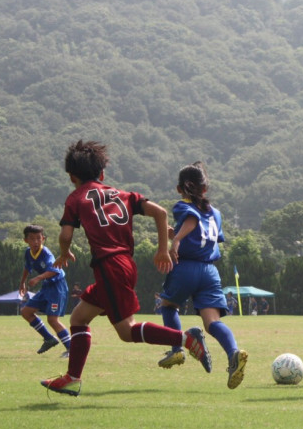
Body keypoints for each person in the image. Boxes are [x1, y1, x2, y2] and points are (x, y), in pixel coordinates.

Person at [40, 140, 212, 396]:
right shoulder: (124, 195)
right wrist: (162, 249)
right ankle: (72, 378)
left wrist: (64, 252)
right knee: (78, 318)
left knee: (127, 331)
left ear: (72, 177)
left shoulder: (75, 198)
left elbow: (65, 235)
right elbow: (161, 213)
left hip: (109, 267)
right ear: (102, 174)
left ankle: (186, 339)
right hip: (123, 265)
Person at [156, 162, 247, 389]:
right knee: (212, 322)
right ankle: (233, 353)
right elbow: (204, 234)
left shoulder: (182, 206)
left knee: (168, 306)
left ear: (179, 189)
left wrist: (175, 240)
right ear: (205, 189)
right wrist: (177, 234)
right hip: (209, 271)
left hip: (186, 267)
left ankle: (178, 349)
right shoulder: (216, 213)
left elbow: (192, 220)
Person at [18, 224, 71, 357]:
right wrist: (22, 283)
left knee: (53, 319)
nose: (35, 242)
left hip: (57, 287)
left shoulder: (46, 253)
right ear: (26, 240)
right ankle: (49, 339)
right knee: (26, 312)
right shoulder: (28, 252)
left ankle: (72, 350)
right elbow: (27, 267)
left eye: (38, 238)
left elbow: (55, 270)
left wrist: (37, 278)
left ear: (43, 239)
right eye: (32, 239)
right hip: (47, 287)